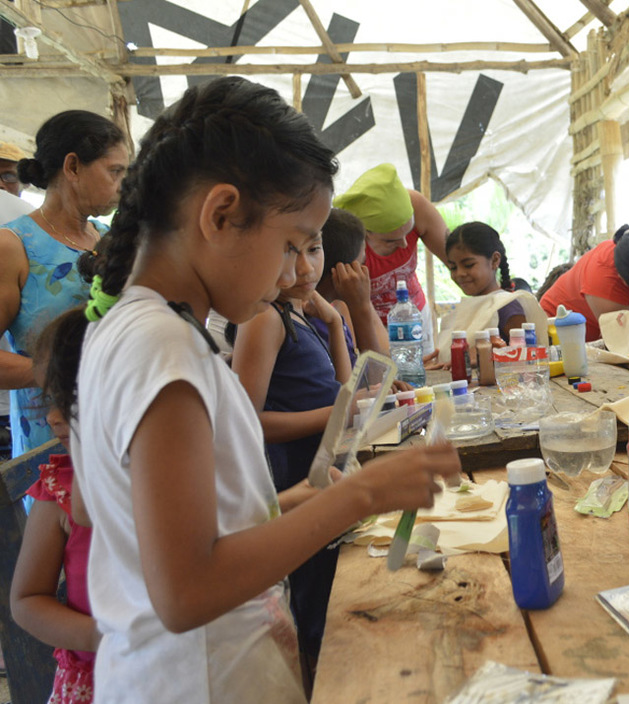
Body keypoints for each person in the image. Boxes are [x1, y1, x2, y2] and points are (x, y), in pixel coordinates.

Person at [45, 77, 460, 702]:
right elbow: (186, 590)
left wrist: (307, 498)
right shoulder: (162, 349)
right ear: (219, 215)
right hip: (196, 682)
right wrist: (361, 495)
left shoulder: (141, 328)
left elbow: (166, 523)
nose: (296, 271)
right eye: (290, 244)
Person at [229, 212, 355, 675]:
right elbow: (248, 421)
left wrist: (337, 326)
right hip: (293, 479)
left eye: (314, 250)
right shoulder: (264, 319)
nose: (305, 269)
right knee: (312, 605)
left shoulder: (298, 314)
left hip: (323, 472)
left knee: (328, 595)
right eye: (290, 251)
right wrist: (343, 411)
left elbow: (344, 388)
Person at [0, 110, 127, 457]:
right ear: (72, 167)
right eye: (114, 171)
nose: (122, 184)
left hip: (114, 430)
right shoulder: (15, 246)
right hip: (53, 440)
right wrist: (58, 371)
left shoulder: (108, 239)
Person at [11, 323, 97, 704]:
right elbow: (28, 600)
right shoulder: (59, 486)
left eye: (70, 399)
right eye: (50, 399)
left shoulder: (172, 478)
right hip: (92, 680)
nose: (51, 417)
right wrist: (101, 637)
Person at [334, 163, 449, 354]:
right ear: (364, 235)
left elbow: (458, 260)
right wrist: (395, 361)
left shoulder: (417, 205)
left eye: (409, 233)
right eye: (391, 241)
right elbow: (354, 312)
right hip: (368, 326)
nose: (405, 245)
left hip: (414, 316)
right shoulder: (348, 245)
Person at [427, 221, 549, 366]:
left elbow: (530, 354)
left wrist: (483, 354)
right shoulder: (467, 308)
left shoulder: (505, 305)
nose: (459, 273)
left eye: (469, 265)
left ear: (495, 260)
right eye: (453, 267)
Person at [316, 207, 388, 358]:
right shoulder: (321, 323)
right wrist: (360, 307)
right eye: (361, 263)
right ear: (343, 271)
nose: (364, 270)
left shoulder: (330, 314)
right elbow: (375, 377)